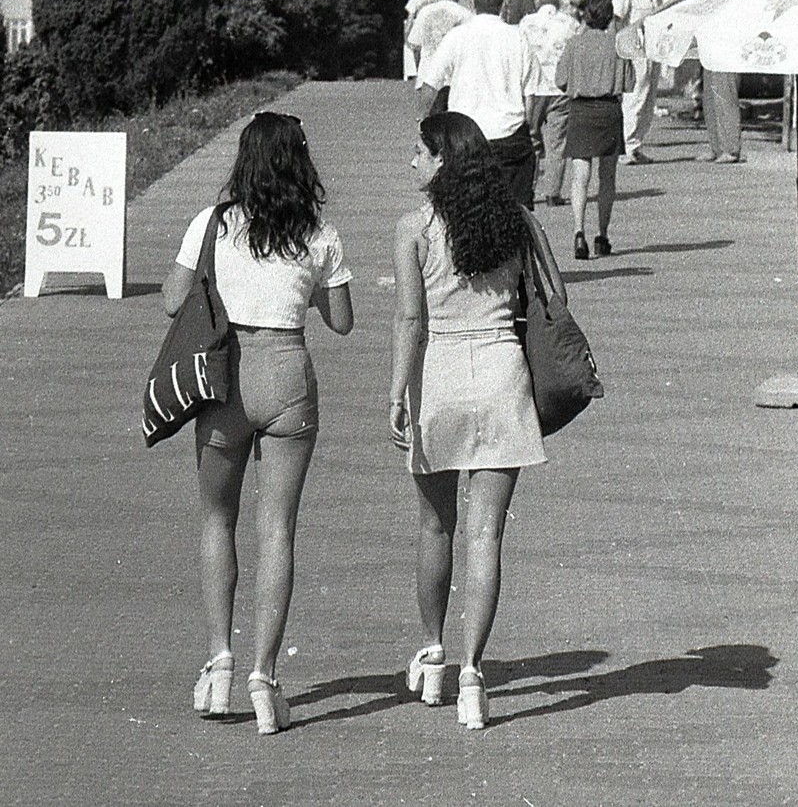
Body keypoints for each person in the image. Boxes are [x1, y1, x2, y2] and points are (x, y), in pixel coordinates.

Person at [162, 112, 354, 735]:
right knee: (279, 532)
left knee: (218, 519)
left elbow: (171, 299)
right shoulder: (319, 232)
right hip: (288, 377)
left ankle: (219, 665)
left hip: (223, 380)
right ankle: (266, 680)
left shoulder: (211, 224)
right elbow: (342, 320)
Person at [390, 112, 562, 729]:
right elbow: (554, 297)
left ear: (442, 161)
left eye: (419, 152)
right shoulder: (514, 222)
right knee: (485, 535)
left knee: (435, 528)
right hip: (501, 375)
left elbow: (410, 322)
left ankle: (433, 653)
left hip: (439, 377)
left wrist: (396, 392)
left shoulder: (413, 229)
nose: (411, 162)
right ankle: (472, 675)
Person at [417, 0, 549, 207]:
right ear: (503, 4)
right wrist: (532, 124)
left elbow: (430, 84)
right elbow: (537, 91)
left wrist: (423, 122)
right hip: (509, 136)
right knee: (515, 212)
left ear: (473, 4)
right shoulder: (517, 37)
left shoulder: (457, 36)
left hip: (464, 137)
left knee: (465, 209)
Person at [553, 0, 631, 258]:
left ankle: (578, 232)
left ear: (587, 17)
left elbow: (560, 80)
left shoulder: (575, 44)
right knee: (607, 176)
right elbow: (628, 83)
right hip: (609, 110)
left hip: (581, 110)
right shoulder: (617, 45)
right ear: (610, 19)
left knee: (580, 176)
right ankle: (602, 235)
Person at [519, 0, 580, 203]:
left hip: (533, 88)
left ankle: (528, 188)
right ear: (558, 2)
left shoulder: (526, 23)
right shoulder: (570, 23)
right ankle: (553, 192)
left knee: (531, 138)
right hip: (560, 88)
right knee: (557, 142)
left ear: (538, 1)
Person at [612, 0, 662, 165]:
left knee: (648, 100)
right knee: (634, 98)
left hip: (651, 51)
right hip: (635, 51)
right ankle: (625, 146)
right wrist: (622, 49)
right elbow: (617, 19)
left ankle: (636, 145)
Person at [703, 0, 742, 163]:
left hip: (726, 53)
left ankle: (731, 149)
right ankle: (715, 147)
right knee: (709, 100)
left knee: (725, 99)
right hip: (711, 50)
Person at [408, 0, 472, 84]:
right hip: (453, 78)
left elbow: (415, 46)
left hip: (428, 75)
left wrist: (420, 70)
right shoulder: (465, 14)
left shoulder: (425, 12)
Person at [403, 0, 439, 79]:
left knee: (414, 50)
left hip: (418, 26)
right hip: (433, 27)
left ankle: (415, 73)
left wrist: (406, 33)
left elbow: (411, 16)